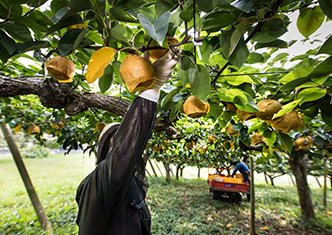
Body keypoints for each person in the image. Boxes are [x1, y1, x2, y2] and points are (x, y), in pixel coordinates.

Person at [75, 50, 179, 235]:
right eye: (119, 135)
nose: (126, 139)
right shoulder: (100, 184)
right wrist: (152, 89)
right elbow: (123, 152)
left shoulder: (127, 187)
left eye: (124, 133)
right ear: (107, 146)